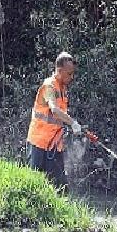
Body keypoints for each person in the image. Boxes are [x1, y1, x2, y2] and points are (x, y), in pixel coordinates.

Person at [26, 51, 83, 187]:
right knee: (34, 185)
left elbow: (58, 117)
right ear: (60, 70)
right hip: (39, 144)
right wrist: (73, 123)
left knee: (60, 187)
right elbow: (55, 111)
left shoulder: (62, 88)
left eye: (73, 73)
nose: (72, 77)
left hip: (54, 145)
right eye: (69, 73)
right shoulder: (49, 86)